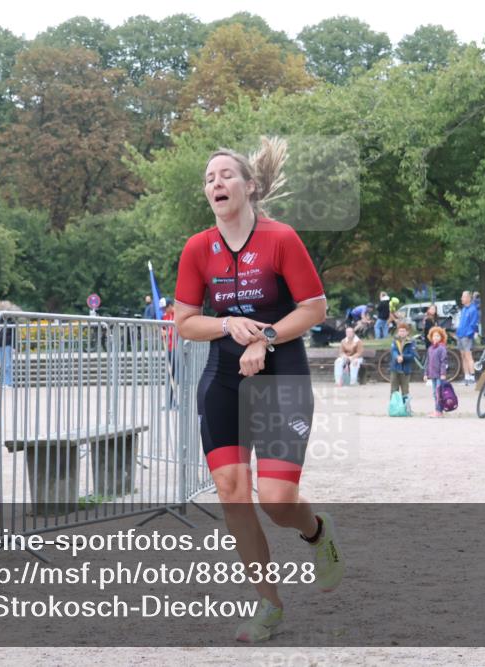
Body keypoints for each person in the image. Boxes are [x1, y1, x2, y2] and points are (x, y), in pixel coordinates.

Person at [173, 138, 344, 642]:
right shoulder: (197, 249)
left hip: (281, 374)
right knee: (233, 494)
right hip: (224, 378)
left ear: (249, 186)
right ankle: (268, 606)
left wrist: (265, 337)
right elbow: (185, 322)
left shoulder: (281, 239)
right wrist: (227, 326)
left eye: (226, 175)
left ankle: (316, 531)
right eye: (209, 178)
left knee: (274, 498)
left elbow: (314, 307)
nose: (216, 183)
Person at [388, 322, 415, 410]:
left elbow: (412, 355)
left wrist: (403, 357)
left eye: (403, 331)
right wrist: (397, 357)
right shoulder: (395, 341)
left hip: (405, 369)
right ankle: (393, 408)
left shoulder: (411, 342)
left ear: (407, 332)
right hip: (395, 368)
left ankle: (407, 409)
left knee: (405, 390)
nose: (401, 333)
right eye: (400, 331)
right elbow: (393, 351)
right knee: (393, 390)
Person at [423, 326, 449, 417]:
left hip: (439, 374)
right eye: (434, 336)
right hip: (432, 374)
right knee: (435, 393)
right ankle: (437, 410)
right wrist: (426, 373)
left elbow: (443, 361)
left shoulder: (442, 348)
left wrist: (443, 373)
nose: (436, 338)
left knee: (439, 393)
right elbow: (427, 362)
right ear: (431, 337)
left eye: (438, 336)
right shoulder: (430, 349)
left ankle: (439, 410)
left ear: (441, 337)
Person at [456, 290, 479, 384]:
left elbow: (473, 323)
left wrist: (469, 333)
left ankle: (472, 377)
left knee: (468, 355)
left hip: (466, 335)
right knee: (463, 356)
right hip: (460, 335)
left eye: (463, 297)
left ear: (468, 298)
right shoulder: (464, 309)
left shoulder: (473, 309)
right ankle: (467, 376)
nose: (461, 298)